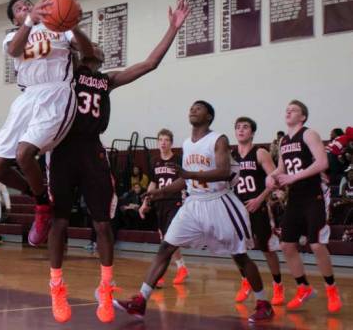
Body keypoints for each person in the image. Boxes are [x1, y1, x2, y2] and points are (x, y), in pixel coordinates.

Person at [47, 0, 190, 323]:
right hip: (64, 148)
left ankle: (106, 286)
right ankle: (56, 284)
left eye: (97, 46)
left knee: (103, 224)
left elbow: (150, 63)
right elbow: (65, 16)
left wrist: (172, 29)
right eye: (90, 44)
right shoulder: (69, 71)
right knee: (60, 221)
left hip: (94, 151)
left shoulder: (108, 80)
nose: (94, 47)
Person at [115, 101, 274, 323]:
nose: (192, 110)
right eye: (191, 107)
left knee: (240, 256)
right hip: (194, 204)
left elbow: (223, 171)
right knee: (165, 247)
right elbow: (184, 179)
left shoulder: (218, 139)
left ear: (209, 116)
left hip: (219, 202)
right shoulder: (187, 143)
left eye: (198, 108)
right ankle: (141, 300)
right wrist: (159, 192)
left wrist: (190, 175)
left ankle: (263, 303)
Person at [0, 0, 94, 247]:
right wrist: (29, 23)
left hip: (56, 92)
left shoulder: (58, 27)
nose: (25, 7)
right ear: (15, 19)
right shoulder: (13, 36)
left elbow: (69, 10)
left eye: (26, 4)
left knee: (23, 155)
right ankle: (41, 199)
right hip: (27, 99)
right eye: (19, 9)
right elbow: (13, 51)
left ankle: (43, 208)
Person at [265, 100, 342, 312]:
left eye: (294, 109)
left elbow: (322, 163)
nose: (288, 110)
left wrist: (293, 177)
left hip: (313, 195)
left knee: (316, 244)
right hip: (295, 198)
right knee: (286, 245)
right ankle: (303, 288)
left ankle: (331, 289)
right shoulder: (283, 142)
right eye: (287, 108)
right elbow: (281, 168)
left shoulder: (309, 134)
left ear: (303, 116)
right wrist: (271, 178)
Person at [232, 117, 284, 305]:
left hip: (259, 205)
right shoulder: (230, 156)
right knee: (236, 248)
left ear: (252, 132)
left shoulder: (260, 153)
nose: (241, 130)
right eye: (238, 127)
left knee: (266, 248)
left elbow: (274, 180)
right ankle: (245, 280)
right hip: (238, 208)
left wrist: (259, 199)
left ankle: (278, 285)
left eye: (245, 127)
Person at [139, 128, 188, 288]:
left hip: (174, 201)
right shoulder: (154, 161)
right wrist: (146, 202)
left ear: (171, 143)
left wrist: (185, 196)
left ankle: (159, 274)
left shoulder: (178, 159)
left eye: (166, 140)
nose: (163, 143)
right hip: (160, 202)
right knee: (166, 238)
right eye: (160, 140)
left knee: (168, 237)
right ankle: (181, 267)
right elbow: (153, 183)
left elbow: (184, 180)